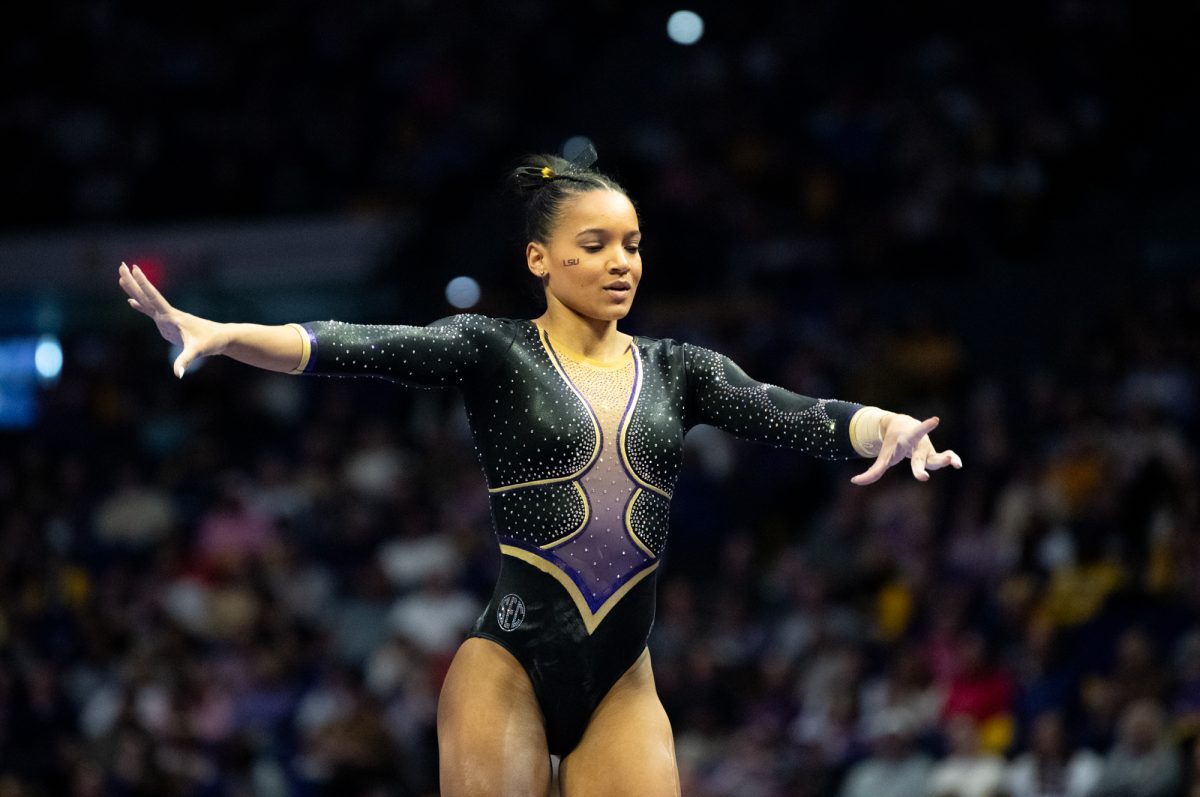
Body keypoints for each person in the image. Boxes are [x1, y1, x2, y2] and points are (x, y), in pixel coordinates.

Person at [118, 148, 962, 796]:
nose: (620, 262)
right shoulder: (493, 348)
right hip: (510, 661)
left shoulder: (680, 368)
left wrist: (885, 426)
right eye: (593, 246)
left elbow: (789, 410)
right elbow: (357, 343)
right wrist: (225, 333)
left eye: (631, 245)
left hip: (623, 675)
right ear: (539, 260)